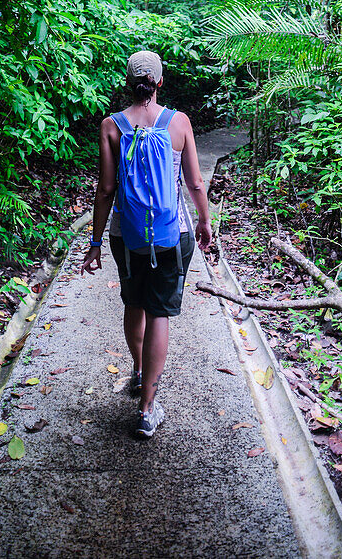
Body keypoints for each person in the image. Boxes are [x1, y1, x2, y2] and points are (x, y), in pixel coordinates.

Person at [81, 50, 212, 438]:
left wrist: (94, 242)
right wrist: (204, 221)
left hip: (127, 234)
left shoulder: (111, 126)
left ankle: (138, 372)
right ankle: (147, 409)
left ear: (128, 81)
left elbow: (106, 190)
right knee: (160, 313)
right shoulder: (179, 122)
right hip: (174, 235)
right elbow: (194, 183)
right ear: (160, 82)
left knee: (134, 302)